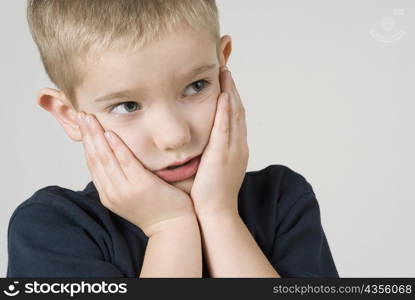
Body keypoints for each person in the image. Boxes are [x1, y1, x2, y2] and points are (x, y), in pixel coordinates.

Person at [7, 0, 339, 278]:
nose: (175, 136)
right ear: (69, 116)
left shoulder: (282, 201)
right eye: (127, 105)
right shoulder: (52, 230)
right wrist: (170, 227)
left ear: (222, 63)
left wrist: (219, 214)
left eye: (196, 86)